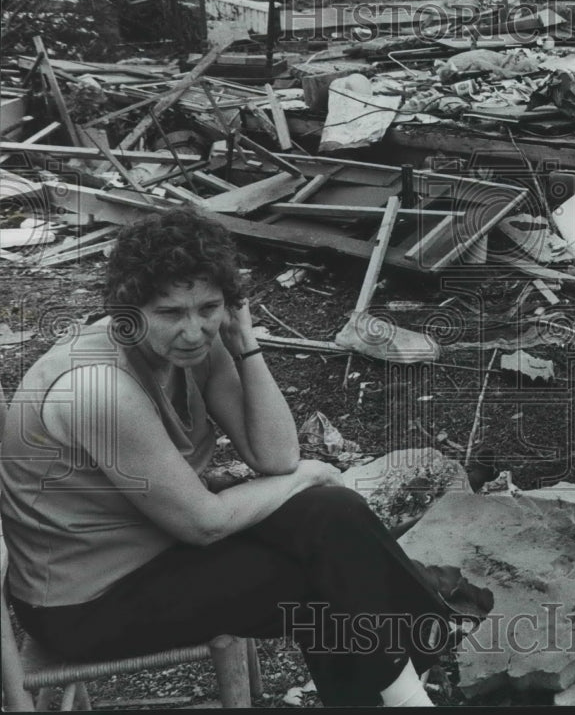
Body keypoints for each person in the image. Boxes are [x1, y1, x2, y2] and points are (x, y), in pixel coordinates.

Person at [0, 208, 458, 707]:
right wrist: (308, 474)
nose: (194, 329)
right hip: (87, 601)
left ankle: (402, 688)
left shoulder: (195, 349)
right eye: (171, 312)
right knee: (327, 577)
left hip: (159, 546)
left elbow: (275, 456)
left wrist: (246, 344)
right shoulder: (100, 390)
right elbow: (206, 524)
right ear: (127, 312)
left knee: (333, 516)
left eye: (209, 307)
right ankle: (411, 675)